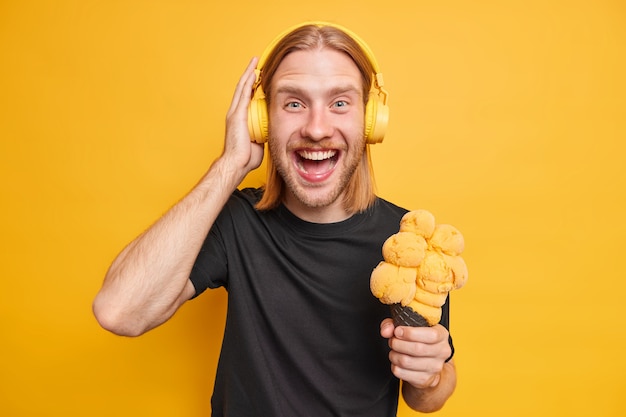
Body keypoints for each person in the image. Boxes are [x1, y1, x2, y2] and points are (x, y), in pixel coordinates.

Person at [93, 21, 457, 416]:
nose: (317, 129)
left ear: (370, 121)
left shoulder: (407, 242)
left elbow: (426, 397)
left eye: (339, 103)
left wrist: (430, 376)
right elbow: (119, 311)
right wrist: (230, 164)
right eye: (294, 103)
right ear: (261, 121)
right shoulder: (235, 221)